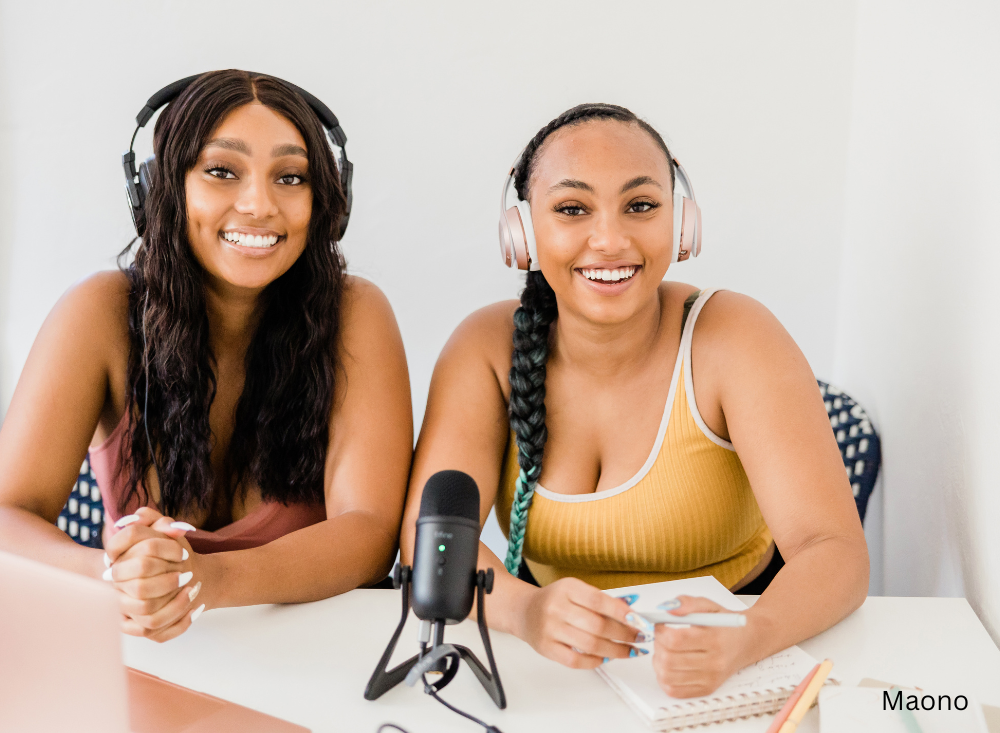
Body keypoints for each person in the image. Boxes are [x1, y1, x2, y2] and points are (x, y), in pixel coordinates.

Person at [401, 103, 868, 698]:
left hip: (739, 650)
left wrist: (748, 634)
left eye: (641, 206)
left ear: (681, 222)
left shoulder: (734, 336)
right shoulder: (485, 348)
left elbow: (835, 551)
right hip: (553, 664)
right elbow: (430, 542)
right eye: (572, 209)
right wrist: (525, 613)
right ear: (521, 233)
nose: (611, 239)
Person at [0, 70, 412, 642]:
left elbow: (370, 534)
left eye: (290, 177)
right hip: (153, 658)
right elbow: (7, 515)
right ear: (162, 188)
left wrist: (207, 580)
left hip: (316, 657)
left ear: (324, 203)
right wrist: (116, 575)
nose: (259, 204)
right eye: (222, 171)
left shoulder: (356, 313)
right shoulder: (98, 313)